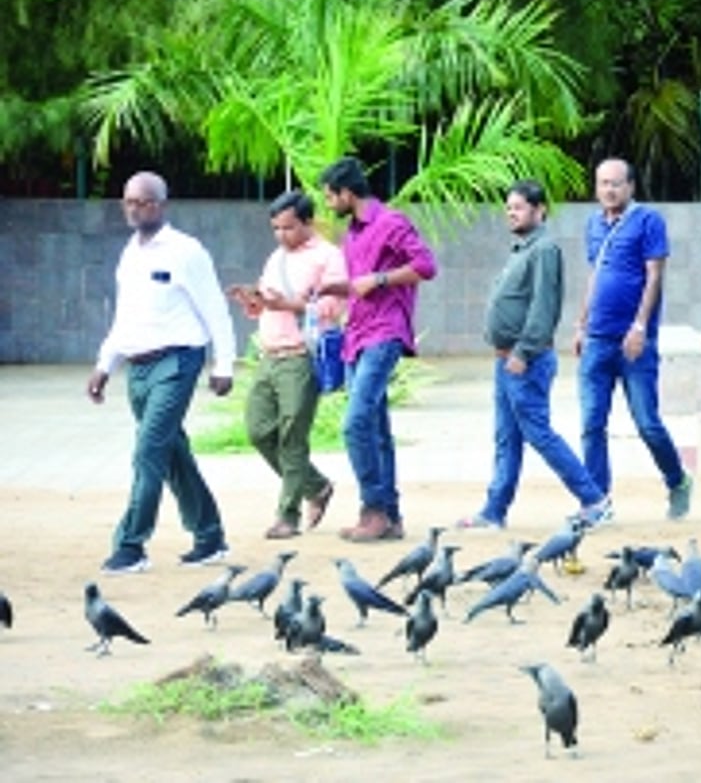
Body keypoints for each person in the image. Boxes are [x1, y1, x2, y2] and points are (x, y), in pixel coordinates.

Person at [86, 171, 237, 573]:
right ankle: (210, 537)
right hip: (137, 368)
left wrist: (224, 365)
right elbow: (124, 317)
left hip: (178, 361)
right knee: (172, 454)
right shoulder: (130, 253)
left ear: (161, 205)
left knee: (148, 451)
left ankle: (131, 546)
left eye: (143, 201)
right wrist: (105, 364)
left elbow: (215, 310)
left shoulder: (187, 251)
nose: (134, 208)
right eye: (129, 202)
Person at [457, 181, 610, 530]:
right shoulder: (521, 249)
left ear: (540, 210)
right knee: (506, 437)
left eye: (519, 207)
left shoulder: (544, 250)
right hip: (506, 360)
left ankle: (594, 499)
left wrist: (524, 351)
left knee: (538, 433)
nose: (512, 213)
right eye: (509, 207)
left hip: (524, 361)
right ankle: (494, 511)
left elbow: (544, 306)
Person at [318, 156, 438, 541]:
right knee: (376, 430)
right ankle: (391, 516)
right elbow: (359, 286)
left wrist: (382, 278)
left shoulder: (390, 222)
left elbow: (426, 266)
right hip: (357, 335)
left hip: (384, 334)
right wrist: (329, 290)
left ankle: (373, 509)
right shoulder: (352, 234)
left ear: (347, 193)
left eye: (330, 197)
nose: (327, 204)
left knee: (355, 423)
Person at [573, 158, 691, 522]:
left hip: (633, 342)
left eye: (616, 183)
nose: (609, 190)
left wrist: (640, 327)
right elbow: (594, 274)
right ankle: (598, 501)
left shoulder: (648, 221)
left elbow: (654, 276)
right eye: (602, 183)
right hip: (597, 339)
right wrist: (581, 323)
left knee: (647, 422)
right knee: (592, 424)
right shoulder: (593, 224)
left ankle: (677, 481)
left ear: (631, 186)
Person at [228, 190, 345, 539]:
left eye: (288, 227)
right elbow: (269, 303)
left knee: (292, 439)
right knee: (258, 430)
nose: (281, 235)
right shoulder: (276, 258)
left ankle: (287, 516)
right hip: (269, 355)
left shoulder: (329, 257)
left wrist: (289, 305)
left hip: (301, 357)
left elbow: (332, 309)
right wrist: (255, 303)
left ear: (308, 222)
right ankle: (317, 486)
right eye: (276, 228)